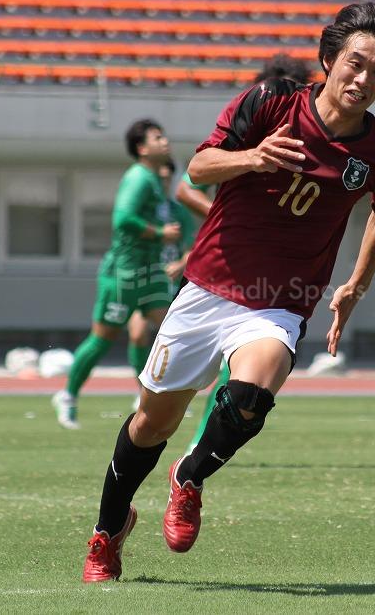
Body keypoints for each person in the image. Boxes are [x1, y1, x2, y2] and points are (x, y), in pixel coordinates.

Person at [81, 1, 375, 582]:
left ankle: (189, 477)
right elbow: (199, 168)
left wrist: (356, 283)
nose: (364, 79)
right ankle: (108, 532)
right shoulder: (270, 102)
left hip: (279, 302)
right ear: (329, 60)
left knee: (249, 396)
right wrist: (254, 157)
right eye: (356, 63)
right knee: (150, 425)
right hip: (208, 287)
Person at [177, 54, 315, 456]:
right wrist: (230, 220)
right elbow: (187, 186)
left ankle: (200, 444)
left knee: (239, 370)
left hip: (273, 277)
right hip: (219, 269)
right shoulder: (246, 137)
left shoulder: (308, 145)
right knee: (187, 371)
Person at [51, 119, 181, 429]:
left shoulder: (154, 180)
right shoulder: (138, 177)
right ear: (142, 148)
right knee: (102, 339)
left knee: (175, 330)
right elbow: (122, 218)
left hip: (149, 273)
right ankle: (68, 395)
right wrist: (159, 233)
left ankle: (151, 398)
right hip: (124, 275)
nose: (165, 141)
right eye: (157, 138)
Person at [126, 160, 197, 406]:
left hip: (171, 284)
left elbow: (194, 248)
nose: (162, 182)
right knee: (137, 334)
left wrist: (180, 264)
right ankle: (143, 392)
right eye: (159, 177)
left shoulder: (179, 212)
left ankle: (172, 393)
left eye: (167, 178)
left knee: (174, 339)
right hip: (145, 279)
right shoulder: (143, 209)